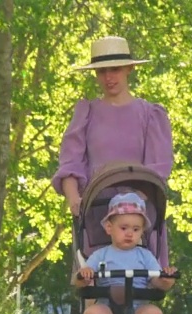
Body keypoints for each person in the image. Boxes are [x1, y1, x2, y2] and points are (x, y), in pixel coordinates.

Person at [52, 35, 173, 267]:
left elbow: (157, 170)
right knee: (95, 281)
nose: (108, 77)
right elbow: (70, 163)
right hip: (96, 213)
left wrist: (130, 208)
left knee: (142, 283)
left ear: (129, 69)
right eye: (102, 71)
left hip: (140, 216)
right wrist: (74, 199)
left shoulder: (150, 115)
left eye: (115, 69)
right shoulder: (86, 113)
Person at [75, 193, 176, 314]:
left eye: (136, 229)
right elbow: (81, 281)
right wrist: (85, 275)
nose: (130, 233)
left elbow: (158, 282)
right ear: (109, 227)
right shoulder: (100, 255)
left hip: (138, 309)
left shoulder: (145, 255)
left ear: (142, 232)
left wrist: (166, 279)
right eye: (124, 228)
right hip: (109, 309)